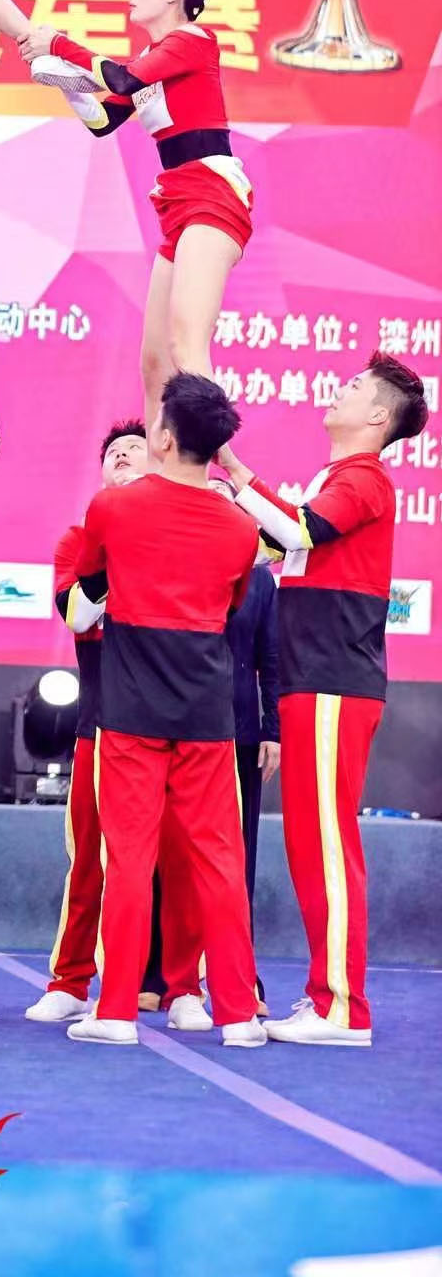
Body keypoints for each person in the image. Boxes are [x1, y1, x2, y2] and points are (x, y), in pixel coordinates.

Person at [219, 352, 428, 1045]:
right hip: (312, 681)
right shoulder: (336, 479)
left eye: (354, 387)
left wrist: (235, 468)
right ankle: (325, 996)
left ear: (379, 416)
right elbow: (275, 543)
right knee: (311, 844)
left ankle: (342, 1007)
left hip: (334, 682)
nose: (339, 390)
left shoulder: (363, 478)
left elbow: (299, 531)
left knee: (328, 844)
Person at [67, 372, 264, 1049]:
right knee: (220, 861)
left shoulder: (113, 508)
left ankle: (116, 1010)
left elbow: (90, 585)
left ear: (165, 438)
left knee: (129, 859)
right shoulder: (240, 528)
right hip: (206, 711)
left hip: (130, 711)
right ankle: (238, 1014)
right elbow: (232, 606)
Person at [20, 0, 251, 426]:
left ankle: (218, 460)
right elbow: (103, 120)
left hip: (212, 194)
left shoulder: (193, 40)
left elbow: (122, 81)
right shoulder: (154, 56)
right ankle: (158, 464)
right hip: (179, 199)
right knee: (155, 365)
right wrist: (64, 81)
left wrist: (59, 45)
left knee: (187, 346)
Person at [26, 419, 203, 1029]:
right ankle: (71, 981)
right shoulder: (81, 538)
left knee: (181, 864)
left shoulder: (186, 534)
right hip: (101, 723)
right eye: (113, 452)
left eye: (136, 448)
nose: (124, 455)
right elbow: (78, 615)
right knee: (88, 863)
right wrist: (117, 538)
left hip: (177, 723)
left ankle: (184, 989)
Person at [209, 480, 281, 1010]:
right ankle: (161, 974)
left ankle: (240, 977)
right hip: (177, 728)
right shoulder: (172, 564)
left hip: (240, 732)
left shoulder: (260, 579)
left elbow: (271, 658)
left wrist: (272, 728)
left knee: (237, 859)